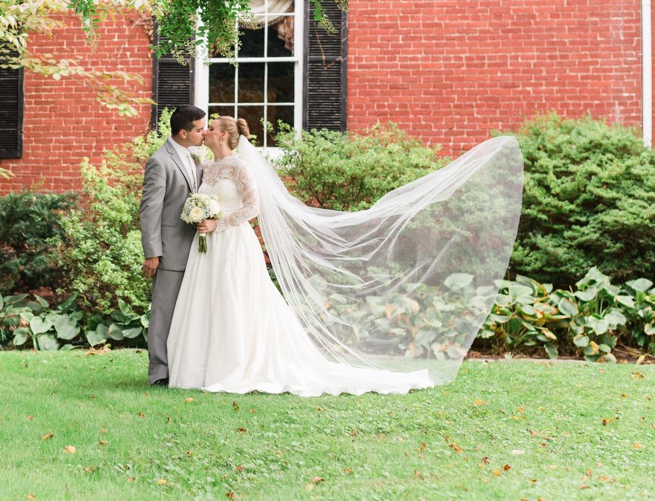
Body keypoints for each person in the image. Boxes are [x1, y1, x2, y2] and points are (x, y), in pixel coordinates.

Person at [166, 116, 523, 396]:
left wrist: (220, 222)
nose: (205, 131)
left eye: (210, 128)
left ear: (226, 136)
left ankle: (236, 365)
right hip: (207, 248)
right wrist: (201, 216)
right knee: (207, 302)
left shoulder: (241, 168)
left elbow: (253, 207)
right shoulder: (206, 168)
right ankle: (202, 367)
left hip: (232, 244)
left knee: (235, 303)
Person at [140, 105, 207, 386]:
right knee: (164, 310)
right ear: (183, 132)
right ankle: (159, 372)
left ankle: (182, 366)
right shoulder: (160, 161)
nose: (204, 134)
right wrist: (152, 253)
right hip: (170, 250)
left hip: (196, 250)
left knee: (188, 312)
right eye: (200, 129)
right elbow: (150, 210)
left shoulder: (194, 157)